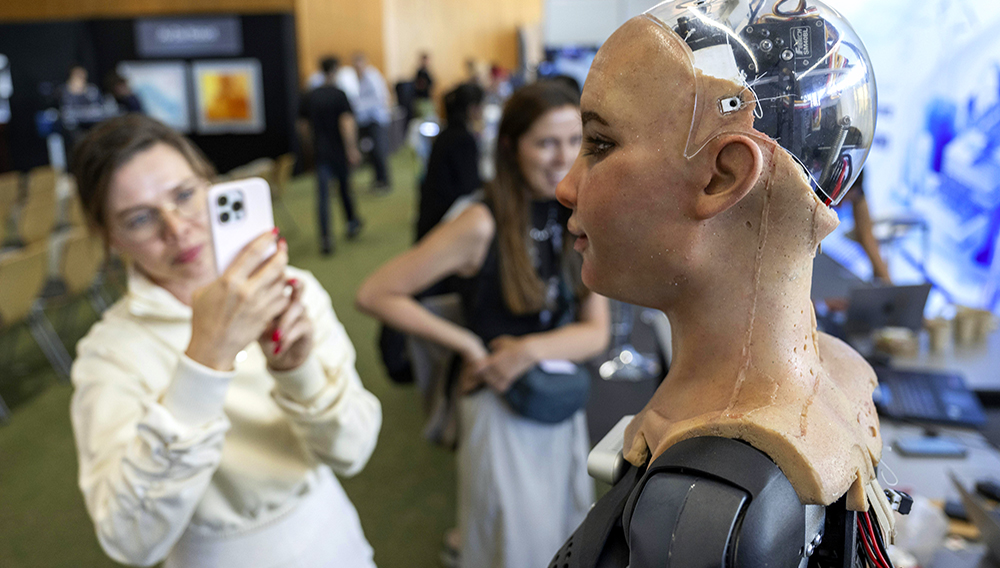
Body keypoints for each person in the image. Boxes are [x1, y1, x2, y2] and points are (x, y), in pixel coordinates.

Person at [550, 1, 895, 566]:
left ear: (723, 175)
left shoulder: (701, 515)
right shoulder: (843, 376)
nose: (566, 186)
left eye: (600, 144)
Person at [69, 114, 381, 568]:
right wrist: (205, 359)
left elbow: (352, 451)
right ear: (111, 238)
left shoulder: (291, 287)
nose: (176, 229)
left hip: (328, 533)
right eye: (139, 219)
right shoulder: (109, 354)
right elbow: (130, 538)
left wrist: (299, 372)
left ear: (210, 185)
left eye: (184, 195)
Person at [356, 81, 610, 568]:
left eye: (573, 141)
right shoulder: (480, 221)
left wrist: (527, 352)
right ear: (512, 146)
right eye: (545, 142)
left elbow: (595, 333)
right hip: (498, 407)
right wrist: (470, 347)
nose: (562, 157)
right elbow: (375, 293)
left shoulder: (578, 215)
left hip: (555, 398)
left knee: (565, 525)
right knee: (508, 543)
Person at [302, 56, 364, 255]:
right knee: (344, 188)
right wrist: (351, 148)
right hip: (338, 151)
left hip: (320, 151)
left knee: (323, 196)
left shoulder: (310, 95)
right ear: (336, 70)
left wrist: (310, 146)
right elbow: (346, 122)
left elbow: (302, 126)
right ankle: (351, 222)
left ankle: (326, 237)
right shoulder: (339, 95)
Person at [415, 82, 484, 241]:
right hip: (443, 223)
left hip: (432, 217)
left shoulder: (447, 134)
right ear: (472, 108)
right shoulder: (463, 139)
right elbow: (470, 186)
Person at [352, 53, 393, 193]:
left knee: (379, 151)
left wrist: (358, 106)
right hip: (367, 121)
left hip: (376, 120)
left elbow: (379, 99)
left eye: (359, 65)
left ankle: (384, 181)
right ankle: (378, 180)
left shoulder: (372, 77)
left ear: (364, 63)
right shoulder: (361, 79)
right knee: (372, 152)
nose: (357, 68)